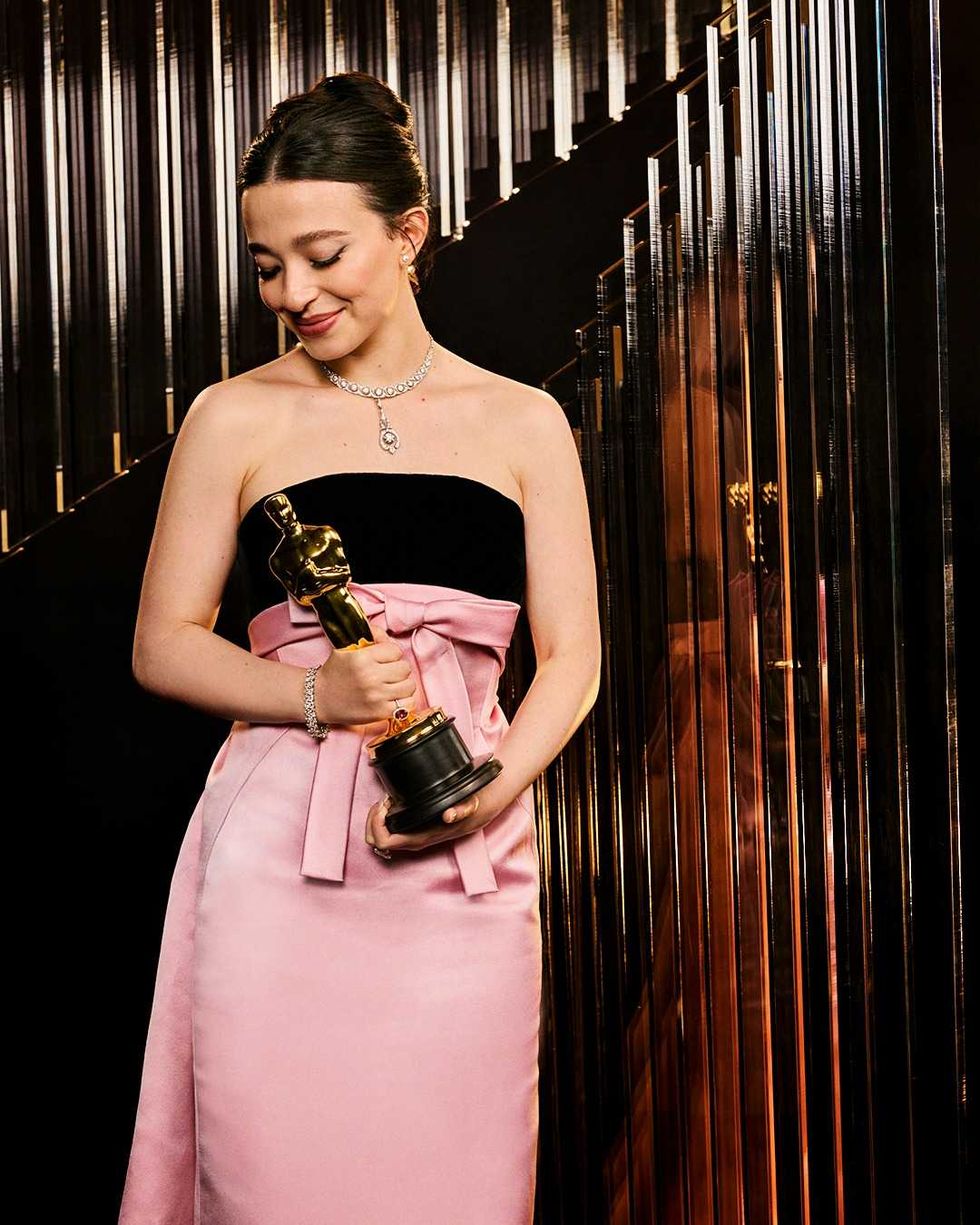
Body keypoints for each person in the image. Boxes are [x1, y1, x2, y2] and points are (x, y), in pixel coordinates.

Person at [117, 70, 601, 1225]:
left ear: (408, 232)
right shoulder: (232, 414)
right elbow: (162, 646)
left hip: (460, 863)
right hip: (279, 856)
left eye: (323, 255)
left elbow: (572, 660)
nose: (294, 291)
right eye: (267, 265)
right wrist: (314, 691)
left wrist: (486, 798)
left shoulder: (523, 421)